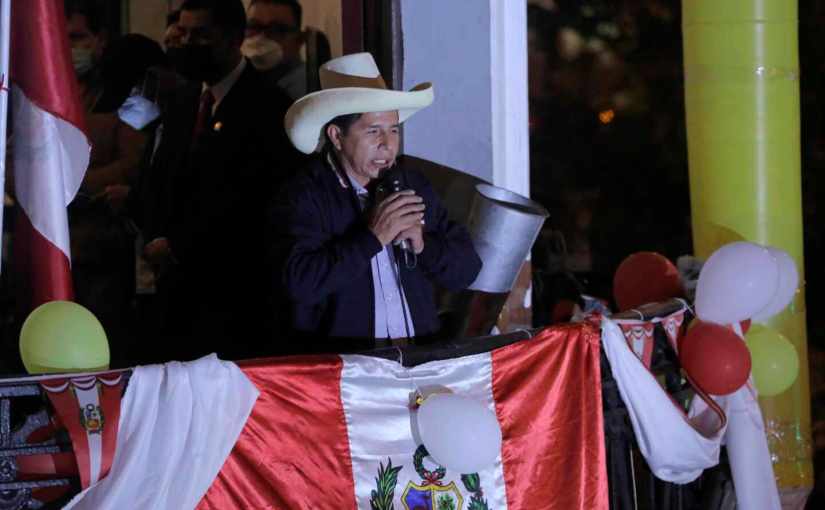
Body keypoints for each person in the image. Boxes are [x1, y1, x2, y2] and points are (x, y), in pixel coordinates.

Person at [275, 53, 482, 351]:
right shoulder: (304, 196)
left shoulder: (413, 184)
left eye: (394, 130)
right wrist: (372, 237)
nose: (388, 145)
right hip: (346, 372)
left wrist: (424, 245)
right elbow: (300, 283)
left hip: (417, 358)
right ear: (336, 136)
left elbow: (467, 270)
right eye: (373, 131)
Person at [140, 0, 302, 361]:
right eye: (182, 32)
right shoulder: (184, 99)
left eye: (200, 35)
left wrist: (179, 245)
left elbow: (252, 200)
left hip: (236, 297)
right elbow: (163, 176)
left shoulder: (270, 107)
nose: (186, 42)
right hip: (177, 295)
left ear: (232, 39)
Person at [242, 0, 307, 99]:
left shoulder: (307, 89)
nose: (261, 37)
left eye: (277, 30)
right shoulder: (243, 80)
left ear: (299, 39)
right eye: (254, 27)